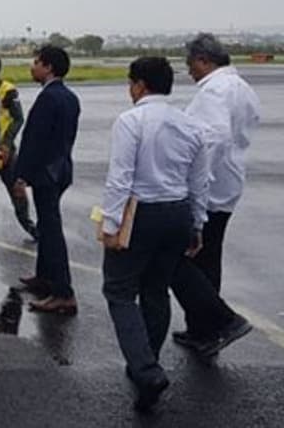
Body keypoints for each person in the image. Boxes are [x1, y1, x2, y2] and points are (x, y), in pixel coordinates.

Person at [100, 57, 209, 412]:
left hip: (140, 211)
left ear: (140, 85)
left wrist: (111, 224)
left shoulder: (131, 121)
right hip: (177, 212)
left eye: (131, 83)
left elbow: (121, 178)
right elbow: (199, 182)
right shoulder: (190, 125)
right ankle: (149, 360)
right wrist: (196, 223)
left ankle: (145, 369)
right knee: (156, 289)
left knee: (118, 291)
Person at [171, 33, 258, 354]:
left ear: (203, 61)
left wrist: (197, 184)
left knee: (178, 259)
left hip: (209, 188)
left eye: (191, 64)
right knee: (208, 258)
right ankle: (203, 330)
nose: (190, 72)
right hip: (230, 183)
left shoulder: (214, 91)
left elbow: (214, 139)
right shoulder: (241, 87)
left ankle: (222, 321)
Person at [15, 45, 81, 315]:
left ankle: (63, 292)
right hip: (61, 169)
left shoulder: (48, 99)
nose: (32, 67)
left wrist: (21, 176)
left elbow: (34, 142)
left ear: (49, 67)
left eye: (37, 62)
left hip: (45, 173)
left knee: (51, 231)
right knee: (47, 223)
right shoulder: (69, 97)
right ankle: (45, 277)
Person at [0, 54, 35, 239]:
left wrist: (6, 142)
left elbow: (18, 118)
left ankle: (30, 226)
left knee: (16, 190)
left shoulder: (7, 90)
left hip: (4, 150)